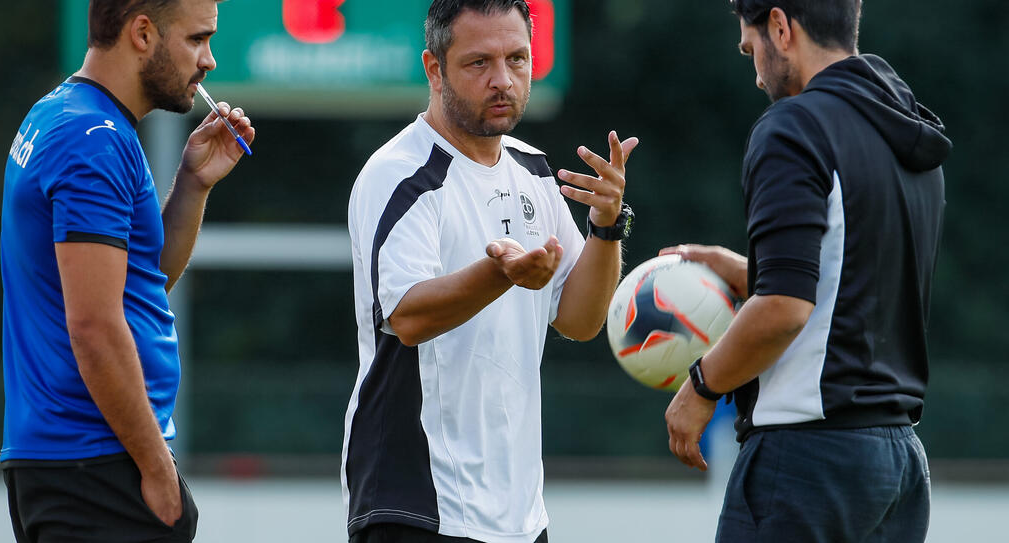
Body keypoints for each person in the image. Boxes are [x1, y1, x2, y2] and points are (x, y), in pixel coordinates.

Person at [342, 1, 638, 541]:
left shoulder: (533, 169)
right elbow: (407, 317)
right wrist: (499, 275)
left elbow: (580, 319)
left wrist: (606, 226)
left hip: (520, 514)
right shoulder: (399, 175)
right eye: (479, 63)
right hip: (416, 502)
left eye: (517, 59)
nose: (503, 80)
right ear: (434, 69)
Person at [662, 1, 951, 541]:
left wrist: (700, 388)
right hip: (900, 469)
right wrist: (755, 272)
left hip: (807, 463)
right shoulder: (908, 132)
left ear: (779, 26)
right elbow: (861, 287)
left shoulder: (793, 126)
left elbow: (784, 311)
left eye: (752, 50)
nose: (755, 74)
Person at [0, 0, 254, 541]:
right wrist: (159, 472)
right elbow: (94, 325)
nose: (208, 60)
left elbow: (142, 286)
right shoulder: (94, 141)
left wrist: (192, 184)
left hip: (75, 462)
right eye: (196, 39)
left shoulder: (70, 115)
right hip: (96, 464)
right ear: (142, 33)